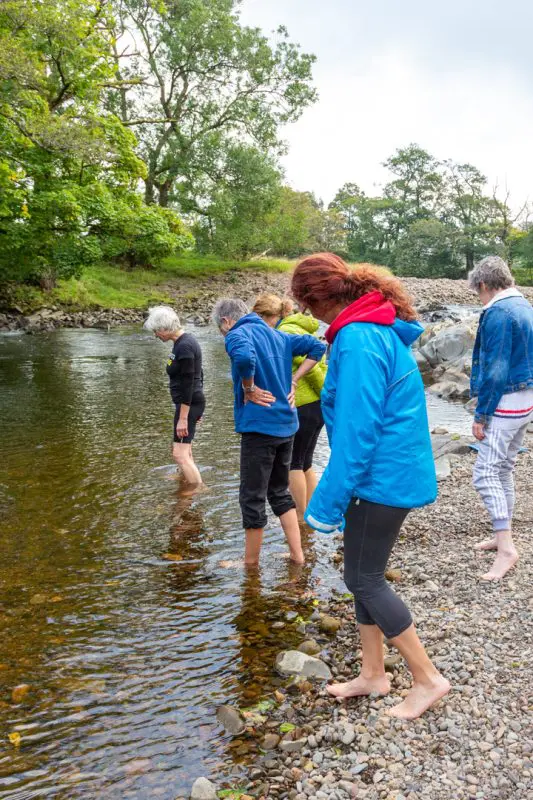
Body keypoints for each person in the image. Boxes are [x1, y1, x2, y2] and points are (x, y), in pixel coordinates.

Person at [290, 253, 450, 720]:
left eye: (304, 302)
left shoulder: (358, 339)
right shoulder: (371, 329)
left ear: (316, 298)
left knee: (363, 577)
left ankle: (428, 678)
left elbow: (358, 434)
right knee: (362, 573)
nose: (306, 311)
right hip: (387, 471)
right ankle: (373, 674)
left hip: (380, 477)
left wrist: (326, 503)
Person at [212, 298, 326, 567]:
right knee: (278, 491)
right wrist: (294, 380)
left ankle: (250, 563)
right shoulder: (277, 334)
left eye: (221, 330)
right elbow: (318, 346)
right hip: (287, 425)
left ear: (226, 321)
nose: (223, 334)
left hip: (260, 428)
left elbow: (243, 357)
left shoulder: (237, 333)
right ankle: (298, 555)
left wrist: (248, 387)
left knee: (252, 496)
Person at [468, 256, 533, 580]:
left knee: (484, 473)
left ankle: (506, 546)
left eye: (477, 293)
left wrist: (481, 414)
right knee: (504, 467)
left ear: (483, 285)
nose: (479, 299)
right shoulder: (524, 306)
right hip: (525, 399)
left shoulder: (497, 312)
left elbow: (495, 370)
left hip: (506, 401)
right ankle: (500, 534)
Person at [252, 293, 327, 516]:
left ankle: (301, 517)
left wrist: (295, 381)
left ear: (271, 316)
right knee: (306, 462)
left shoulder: (285, 331)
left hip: (303, 404)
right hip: (315, 406)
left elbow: (311, 368)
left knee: (294, 463)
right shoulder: (302, 328)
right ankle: (311, 512)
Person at [144, 305, 205, 486]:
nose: (156, 335)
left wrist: (184, 418)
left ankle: (198, 489)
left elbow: (189, 383)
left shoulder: (185, 346)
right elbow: (199, 375)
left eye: (156, 331)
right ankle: (186, 480)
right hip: (192, 403)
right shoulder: (183, 343)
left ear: (165, 328)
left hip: (189, 403)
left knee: (179, 454)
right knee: (185, 451)